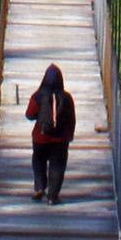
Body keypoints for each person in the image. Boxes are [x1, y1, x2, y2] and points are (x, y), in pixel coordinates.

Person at [25, 62, 75, 202]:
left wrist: (40, 116)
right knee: (57, 166)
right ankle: (52, 196)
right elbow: (72, 118)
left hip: (41, 137)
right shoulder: (67, 98)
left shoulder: (38, 96)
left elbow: (29, 115)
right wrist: (69, 134)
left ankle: (40, 187)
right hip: (60, 139)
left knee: (38, 161)